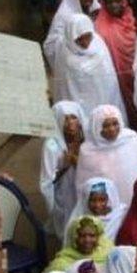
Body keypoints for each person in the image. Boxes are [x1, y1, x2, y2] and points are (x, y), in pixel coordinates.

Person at [51, 14, 127, 122]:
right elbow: (66, 88)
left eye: (88, 37)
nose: (85, 43)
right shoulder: (64, 52)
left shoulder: (99, 45)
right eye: (79, 39)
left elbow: (109, 81)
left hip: (103, 97)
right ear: (70, 37)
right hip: (76, 99)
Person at [74, 104, 137, 204]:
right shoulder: (88, 150)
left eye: (115, 123)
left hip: (136, 198)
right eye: (105, 126)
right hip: (105, 205)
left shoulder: (131, 139)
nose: (112, 129)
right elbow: (84, 184)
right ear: (96, 127)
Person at [95, 0, 137, 131]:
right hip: (118, 75)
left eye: (117, 0)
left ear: (124, 1)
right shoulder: (100, 26)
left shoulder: (132, 18)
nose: (114, 5)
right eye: (109, 2)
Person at [41, 101, 88, 240]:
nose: (70, 123)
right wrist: (65, 165)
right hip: (65, 196)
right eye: (64, 119)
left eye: (73, 117)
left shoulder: (87, 141)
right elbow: (46, 182)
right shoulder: (52, 146)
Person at [46, 216, 115, 273]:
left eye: (92, 236)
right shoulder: (61, 263)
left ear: (98, 237)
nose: (87, 240)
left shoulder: (108, 253)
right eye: (82, 236)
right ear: (74, 238)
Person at [67, 177, 128, 243]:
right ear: (86, 200)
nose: (97, 205)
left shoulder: (120, 216)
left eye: (102, 200)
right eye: (93, 200)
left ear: (110, 199)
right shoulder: (78, 219)